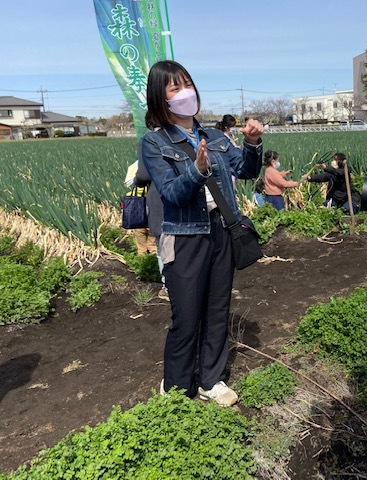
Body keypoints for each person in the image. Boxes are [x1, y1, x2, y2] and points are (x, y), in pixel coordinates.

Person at [139, 60, 264, 405]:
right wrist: (196, 170)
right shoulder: (154, 143)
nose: (185, 93)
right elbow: (172, 194)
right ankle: (177, 388)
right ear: (160, 99)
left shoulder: (214, 138)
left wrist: (253, 143)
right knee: (186, 316)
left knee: (217, 309)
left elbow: (247, 170)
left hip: (221, 231)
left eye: (188, 85)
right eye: (174, 88)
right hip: (184, 236)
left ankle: (212, 380)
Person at [133, 154, 169, 301]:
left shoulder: (150, 140)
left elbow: (143, 175)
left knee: (163, 245)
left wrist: (136, 180)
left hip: (160, 200)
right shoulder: (187, 134)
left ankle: (168, 287)